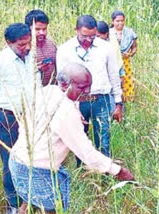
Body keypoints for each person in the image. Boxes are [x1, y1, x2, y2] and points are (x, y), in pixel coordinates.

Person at [9, 63, 134, 214]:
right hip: (37, 168)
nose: (87, 91)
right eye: (81, 87)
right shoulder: (66, 111)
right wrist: (118, 171)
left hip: (18, 160)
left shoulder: (47, 91)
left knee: (29, 202)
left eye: (89, 86)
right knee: (52, 208)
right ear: (63, 84)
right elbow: (86, 153)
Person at [0, 23, 40, 214]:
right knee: (10, 160)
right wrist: (9, 101)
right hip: (8, 117)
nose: (27, 47)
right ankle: (14, 205)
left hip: (32, 115)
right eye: (21, 44)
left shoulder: (32, 57)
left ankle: (32, 201)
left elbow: (37, 83)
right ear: (9, 42)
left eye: (28, 42)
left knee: (34, 158)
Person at [57, 15, 123, 167]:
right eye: (85, 36)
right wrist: (71, 107)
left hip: (102, 99)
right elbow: (62, 83)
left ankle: (104, 172)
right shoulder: (65, 50)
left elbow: (114, 76)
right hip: (78, 102)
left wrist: (118, 103)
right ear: (76, 30)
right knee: (80, 139)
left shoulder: (106, 48)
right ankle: (84, 171)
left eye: (92, 36)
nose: (89, 40)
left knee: (103, 139)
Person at [96, 20, 124, 114]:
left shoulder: (111, 45)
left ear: (106, 34)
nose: (96, 38)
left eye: (99, 36)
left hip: (114, 75)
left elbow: (117, 61)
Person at [110, 10, 137, 102]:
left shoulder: (129, 33)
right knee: (114, 80)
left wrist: (130, 54)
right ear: (112, 21)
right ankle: (114, 101)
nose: (120, 23)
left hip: (125, 62)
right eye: (117, 21)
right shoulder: (108, 33)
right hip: (112, 61)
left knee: (126, 81)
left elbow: (134, 47)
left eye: (122, 21)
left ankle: (127, 101)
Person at [25, 9, 57, 86]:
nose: (42, 32)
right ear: (28, 28)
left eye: (44, 29)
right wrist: (37, 70)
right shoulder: (24, 47)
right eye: (37, 29)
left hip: (52, 89)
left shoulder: (51, 44)